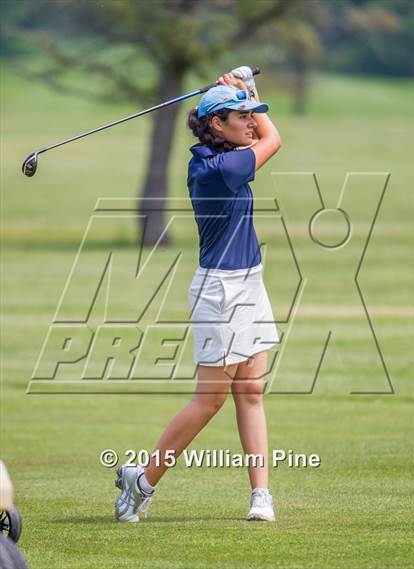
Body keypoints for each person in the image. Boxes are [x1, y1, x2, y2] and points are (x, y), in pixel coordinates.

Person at [115, 66, 282, 523]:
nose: (251, 123)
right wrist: (244, 86)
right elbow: (274, 140)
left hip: (250, 281)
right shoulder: (217, 169)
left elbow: (262, 131)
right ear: (216, 124)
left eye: (252, 116)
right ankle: (142, 482)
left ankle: (260, 496)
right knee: (209, 400)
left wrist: (241, 94)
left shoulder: (223, 156)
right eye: (242, 117)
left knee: (251, 391)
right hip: (221, 292)